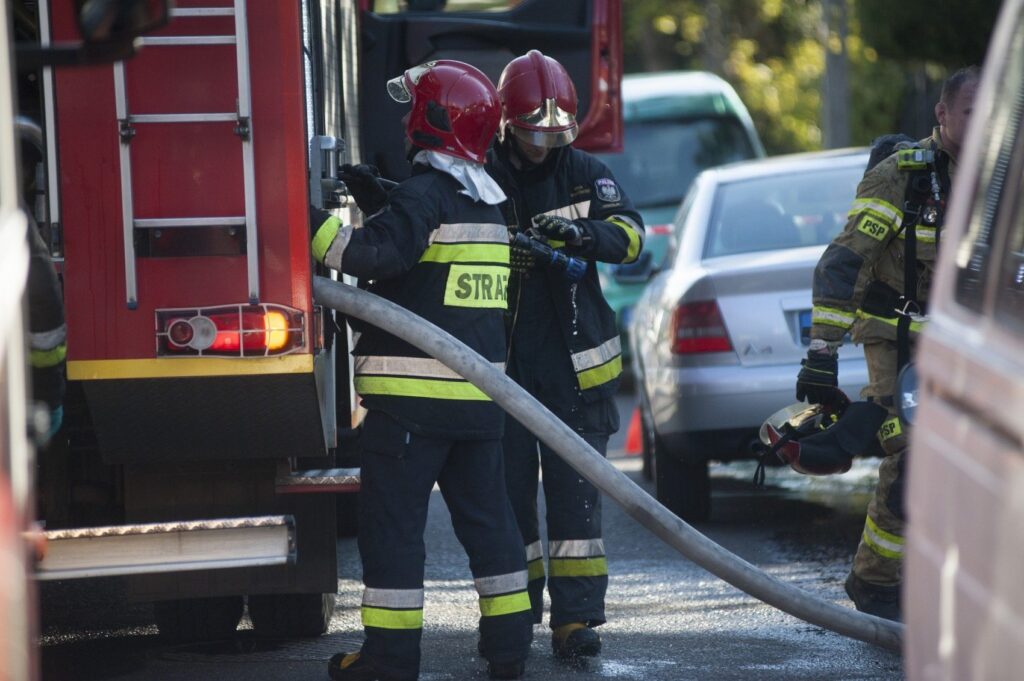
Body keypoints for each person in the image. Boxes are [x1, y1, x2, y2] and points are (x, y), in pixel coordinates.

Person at [311, 59, 533, 681]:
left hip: (410, 410)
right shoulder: (488, 204)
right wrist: (387, 200)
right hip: (479, 405)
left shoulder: (425, 195)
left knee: (393, 534)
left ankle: (387, 659)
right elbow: (437, 278)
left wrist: (303, 223)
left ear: (430, 120)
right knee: (493, 530)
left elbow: (369, 255)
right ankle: (510, 649)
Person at [797, 66, 980, 621]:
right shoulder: (901, 177)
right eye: (970, 112)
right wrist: (822, 353)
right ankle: (875, 582)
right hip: (898, 336)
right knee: (911, 453)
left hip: (971, 343)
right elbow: (844, 264)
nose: (982, 125)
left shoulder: (1003, 179)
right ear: (941, 114)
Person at [486, 50, 645, 659]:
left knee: (577, 508)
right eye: (532, 133)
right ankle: (512, 623)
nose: (542, 145)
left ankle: (575, 624)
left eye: (553, 134)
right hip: (502, 373)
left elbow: (629, 234)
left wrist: (586, 235)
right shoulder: (482, 176)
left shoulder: (584, 173)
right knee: (509, 506)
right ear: (506, 122)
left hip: (577, 374)